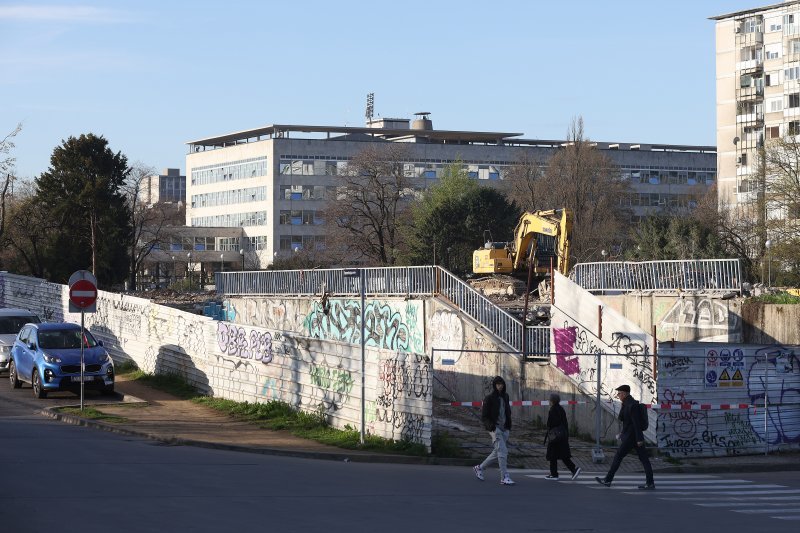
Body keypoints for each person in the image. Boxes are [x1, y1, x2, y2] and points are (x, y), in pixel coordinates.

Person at [595, 384, 655, 490]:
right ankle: (650, 483)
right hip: (632, 437)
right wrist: (623, 433)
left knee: (618, 456)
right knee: (644, 459)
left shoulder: (632, 405)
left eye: (619, 393)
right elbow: (624, 420)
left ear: (624, 393)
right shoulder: (627, 403)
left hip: (632, 438)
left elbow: (636, 423)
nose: (618, 395)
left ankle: (608, 480)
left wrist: (639, 439)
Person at [473, 376, 515, 485]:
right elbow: (484, 416)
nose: (500, 386)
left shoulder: (506, 396)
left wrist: (508, 426)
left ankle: (479, 468)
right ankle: (504, 477)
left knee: (497, 452)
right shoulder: (489, 398)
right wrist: (492, 427)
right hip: (495, 429)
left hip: (504, 428)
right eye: (497, 384)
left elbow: (507, 412)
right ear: (494, 385)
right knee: (503, 451)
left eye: (501, 384)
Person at [544, 393, 581, 481]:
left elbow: (552, 423)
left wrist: (548, 426)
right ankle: (573, 469)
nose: (549, 401)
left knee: (553, 455)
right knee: (563, 455)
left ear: (552, 401)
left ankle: (554, 474)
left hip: (555, 437)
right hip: (562, 436)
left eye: (549, 400)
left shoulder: (553, 410)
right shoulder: (560, 408)